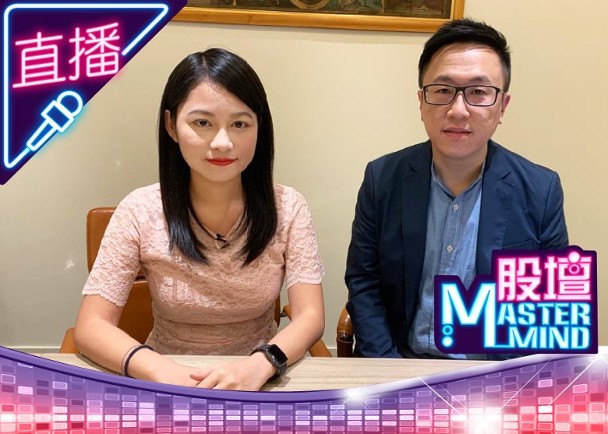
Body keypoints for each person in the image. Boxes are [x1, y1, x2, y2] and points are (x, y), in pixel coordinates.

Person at [74, 48, 325, 390]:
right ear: (171, 125)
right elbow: (91, 326)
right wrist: (160, 370)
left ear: (259, 127)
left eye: (240, 124)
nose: (222, 142)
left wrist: (261, 364)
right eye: (202, 122)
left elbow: (310, 316)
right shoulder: (139, 210)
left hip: (259, 379)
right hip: (167, 381)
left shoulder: (289, 207)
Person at [345, 19, 568, 360]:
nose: (458, 110)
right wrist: (388, 371)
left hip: (492, 374)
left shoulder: (541, 190)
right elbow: (364, 282)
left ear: (502, 106)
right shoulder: (382, 178)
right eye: (443, 90)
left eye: (478, 92)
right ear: (422, 102)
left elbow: (547, 307)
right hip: (399, 364)